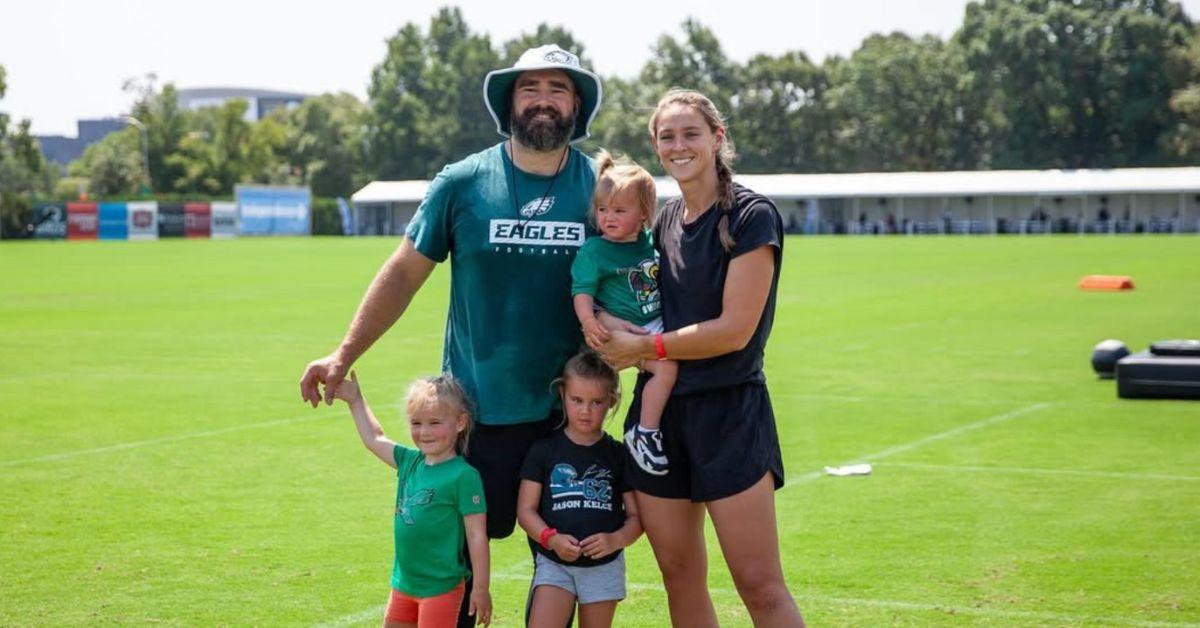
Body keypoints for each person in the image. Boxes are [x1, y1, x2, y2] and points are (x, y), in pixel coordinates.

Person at [299, 44, 603, 626]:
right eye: (529, 88)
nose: (542, 100)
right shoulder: (463, 183)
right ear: (508, 102)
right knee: (451, 579)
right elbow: (403, 275)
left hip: (566, 421)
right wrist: (344, 354)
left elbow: (631, 281)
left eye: (557, 89)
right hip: (471, 419)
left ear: (577, 104)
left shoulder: (601, 187)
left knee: (565, 569)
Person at [591, 89, 805, 627]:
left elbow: (734, 331)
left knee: (760, 586)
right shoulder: (660, 223)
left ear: (717, 137)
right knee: (679, 576)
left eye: (690, 133)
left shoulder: (751, 215)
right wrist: (608, 330)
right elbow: (633, 299)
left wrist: (643, 348)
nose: (679, 145)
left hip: (730, 413)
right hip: (659, 422)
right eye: (667, 136)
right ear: (655, 146)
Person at [333, 372, 491, 627]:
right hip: (403, 585)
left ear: (460, 422)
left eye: (434, 422)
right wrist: (355, 400)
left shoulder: (464, 476)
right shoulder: (409, 461)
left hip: (441, 589)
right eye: (416, 423)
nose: (424, 432)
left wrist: (481, 588)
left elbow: (476, 536)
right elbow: (375, 439)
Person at [516, 351, 642, 628]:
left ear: (612, 401)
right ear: (562, 394)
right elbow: (525, 511)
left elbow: (636, 518)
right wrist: (550, 538)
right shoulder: (544, 450)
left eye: (596, 402)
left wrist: (616, 540)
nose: (586, 410)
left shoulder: (618, 454)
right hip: (554, 563)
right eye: (577, 400)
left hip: (604, 567)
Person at [571, 151, 677, 476]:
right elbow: (582, 292)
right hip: (619, 333)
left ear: (644, 213)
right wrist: (590, 321)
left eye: (619, 210)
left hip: (652, 322)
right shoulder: (595, 250)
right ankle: (645, 431)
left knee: (680, 357)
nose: (608, 218)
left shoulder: (649, 243)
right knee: (667, 367)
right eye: (602, 210)